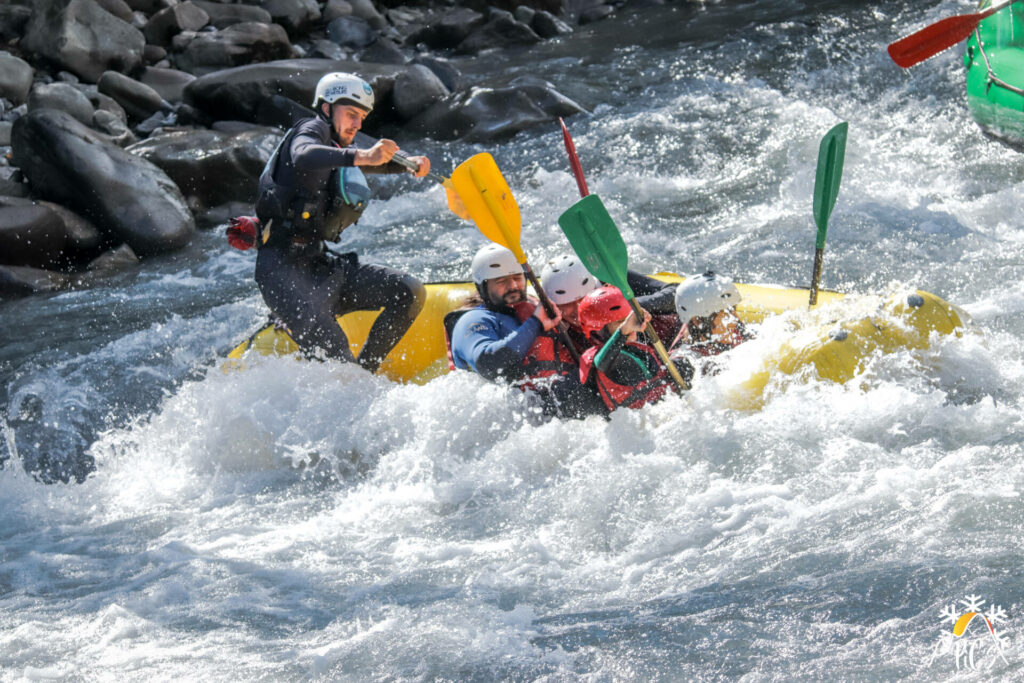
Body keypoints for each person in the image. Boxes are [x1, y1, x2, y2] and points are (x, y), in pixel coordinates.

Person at [252, 72, 429, 372]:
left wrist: (410, 164)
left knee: (409, 292)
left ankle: (366, 373)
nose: (358, 124)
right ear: (326, 109)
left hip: (319, 265)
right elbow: (303, 154)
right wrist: (362, 156)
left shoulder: (335, 147)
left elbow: (374, 162)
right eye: (351, 114)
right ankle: (353, 383)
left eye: (361, 116)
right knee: (339, 370)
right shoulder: (311, 130)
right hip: (283, 275)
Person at [447, 244, 606, 419]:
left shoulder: (534, 307)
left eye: (517, 277)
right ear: (482, 286)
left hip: (560, 406)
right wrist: (535, 323)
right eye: (501, 281)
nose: (513, 285)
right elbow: (489, 363)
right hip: (513, 417)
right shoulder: (473, 321)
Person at [577, 286, 694, 412]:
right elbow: (601, 364)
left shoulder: (634, 348)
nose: (630, 325)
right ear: (599, 332)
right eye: (620, 322)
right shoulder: (606, 358)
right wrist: (623, 332)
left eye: (628, 318)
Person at [671, 271, 752, 358]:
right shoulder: (685, 362)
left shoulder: (732, 329)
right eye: (726, 315)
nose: (735, 319)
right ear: (698, 321)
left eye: (734, 311)